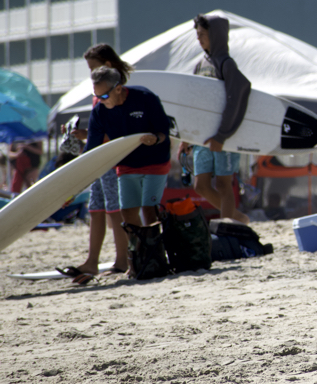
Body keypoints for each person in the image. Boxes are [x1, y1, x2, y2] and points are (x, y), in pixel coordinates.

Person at [56, 44, 133, 285]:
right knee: (96, 208)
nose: (90, 74)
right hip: (99, 158)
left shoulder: (117, 92)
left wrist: (86, 135)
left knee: (114, 209)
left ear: (107, 65)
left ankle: (122, 261)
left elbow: (118, 132)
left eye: (93, 68)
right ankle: (92, 261)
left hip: (111, 158)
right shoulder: (99, 93)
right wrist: (80, 135)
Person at [179, 14, 251, 223]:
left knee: (223, 185)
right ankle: (238, 218)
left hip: (223, 136)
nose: (198, 38)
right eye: (197, 34)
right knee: (200, 186)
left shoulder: (226, 64)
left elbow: (239, 94)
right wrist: (187, 137)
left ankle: (227, 229)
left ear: (216, 35)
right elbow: (194, 103)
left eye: (202, 34)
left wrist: (222, 135)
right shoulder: (200, 64)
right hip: (201, 136)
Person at [84, 67, 171, 240]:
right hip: (126, 165)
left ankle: (156, 252)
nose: (100, 100)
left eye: (104, 96)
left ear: (118, 88)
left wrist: (155, 138)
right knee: (128, 213)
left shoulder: (145, 97)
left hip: (155, 161)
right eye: (96, 96)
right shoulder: (100, 111)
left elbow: (164, 130)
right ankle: (140, 252)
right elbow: (91, 149)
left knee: (149, 209)